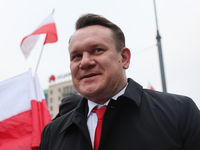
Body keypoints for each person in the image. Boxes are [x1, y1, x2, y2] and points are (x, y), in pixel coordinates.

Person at [39, 14, 200, 150]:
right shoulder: (52, 133)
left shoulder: (180, 112)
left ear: (124, 58)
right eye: (77, 56)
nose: (85, 62)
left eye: (97, 50)